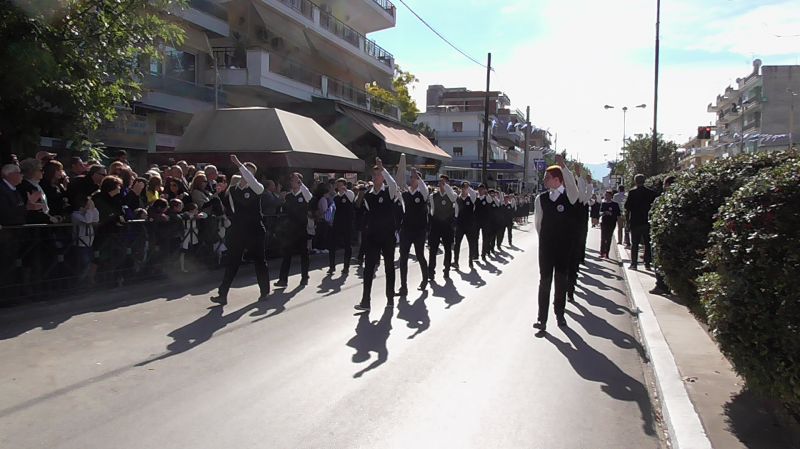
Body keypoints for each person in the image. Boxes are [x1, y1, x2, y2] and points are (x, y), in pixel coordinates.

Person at [211, 155, 270, 305]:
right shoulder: (233, 190)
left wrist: (238, 163)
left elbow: (251, 180)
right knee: (232, 262)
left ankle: (265, 291)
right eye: (243, 171)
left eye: (248, 172)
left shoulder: (258, 188)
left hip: (255, 230)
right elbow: (227, 209)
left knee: (259, 261)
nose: (245, 174)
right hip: (238, 231)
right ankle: (222, 294)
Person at [533, 155, 579, 333]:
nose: (544, 180)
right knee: (544, 282)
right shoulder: (541, 199)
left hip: (563, 248)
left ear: (557, 180)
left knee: (561, 281)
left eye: (547, 177)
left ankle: (560, 313)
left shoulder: (570, 197)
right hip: (546, 248)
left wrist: (563, 167)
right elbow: (538, 223)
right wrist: (545, 241)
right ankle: (541, 319)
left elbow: (573, 187)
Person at [355, 158, 399, 311]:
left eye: (378, 174)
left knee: (389, 267)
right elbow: (363, 209)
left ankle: (390, 298)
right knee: (368, 268)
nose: (375, 177)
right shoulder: (368, 195)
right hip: (373, 236)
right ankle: (365, 301)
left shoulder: (389, 191)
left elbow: (393, 184)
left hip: (387, 236)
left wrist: (383, 169)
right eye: (374, 175)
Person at [275, 172, 312, 288]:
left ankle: (304, 277)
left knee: (304, 254)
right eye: (292, 180)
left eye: (296, 180)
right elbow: (283, 210)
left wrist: (301, 184)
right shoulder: (288, 196)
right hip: (290, 229)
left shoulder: (304, 194)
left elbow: (309, 197)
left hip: (301, 229)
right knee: (287, 255)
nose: (293, 182)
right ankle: (282, 279)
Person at [397, 168, 429, 295]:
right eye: (411, 177)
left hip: (419, 230)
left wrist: (419, 177)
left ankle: (425, 279)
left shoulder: (423, 193)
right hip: (406, 229)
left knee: (420, 255)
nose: (412, 179)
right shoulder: (405, 193)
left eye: (414, 178)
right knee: (403, 257)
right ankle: (403, 287)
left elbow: (424, 188)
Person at [625, 173, 658, 270]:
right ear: (644, 181)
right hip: (647, 221)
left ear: (635, 181)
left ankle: (634, 264)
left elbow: (627, 207)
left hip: (635, 221)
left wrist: (627, 221)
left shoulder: (632, 193)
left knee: (634, 243)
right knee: (647, 243)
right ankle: (647, 263)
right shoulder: (651, 193)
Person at [428, 175, 457, 282]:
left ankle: (447, 269)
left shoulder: (452, 195)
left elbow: (454, 198)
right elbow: (432, 211)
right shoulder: (433, 196)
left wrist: (447, 187)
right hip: (436, 225)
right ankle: (431, 271)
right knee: (433, 250)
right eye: (440, 182)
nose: (442, 184)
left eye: (444, 182)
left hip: (447, 226)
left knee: (448, 249)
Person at [651, 175, 676, 294]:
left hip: (661, 236)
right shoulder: (679, 197)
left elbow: (652, 215)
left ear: (666, 185)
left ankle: (661, 285)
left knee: (659, 260)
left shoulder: (660, 199)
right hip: (675, 236)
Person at [328, 178, 355, 274]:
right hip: (337, 224)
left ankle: (346, 267)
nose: (339, 187)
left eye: (340, 185)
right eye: (337, 185)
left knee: (347, 246)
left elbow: (351, 196)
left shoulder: (349, 194)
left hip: (347, 224)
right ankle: (332, 266)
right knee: (332, 245)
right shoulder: (336, 197)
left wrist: (345, 189)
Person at [454, 181, 478, 270]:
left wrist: (468, 185)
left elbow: (473, 193)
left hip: (469, 225)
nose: (465, 189)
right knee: (457, 244)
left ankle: (470, 261)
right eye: (463, 187)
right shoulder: (457, 199)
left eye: (466, 188)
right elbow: (456, 212)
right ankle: (456, 262)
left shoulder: (471, 198)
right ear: (461, 189)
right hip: (460, 225)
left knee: (471, 244)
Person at [475, 184, 495, 261]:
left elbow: (490, 200)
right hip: (477, 221)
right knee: (475, 238)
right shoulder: (476, 198)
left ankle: (483, 254)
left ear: (484, 190)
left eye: (482, 189)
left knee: (485, 238)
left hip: (485, 221)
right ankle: (475, 255)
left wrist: (487, 193)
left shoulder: (487, 198)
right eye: (479, 189)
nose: (480, 191)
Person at [599, 190, 621, 258]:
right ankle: (602, 252)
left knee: (609, 238)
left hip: (612, 223)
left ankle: (607, 253)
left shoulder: (615, 204)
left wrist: (611, 214)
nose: (606, 197)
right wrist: (604, 212)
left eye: (608, 195)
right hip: (604, 222)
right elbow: (600, 212)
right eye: (606, 195)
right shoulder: (603, 204)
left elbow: (618, 214)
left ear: (611, 196)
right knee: (603, 238)